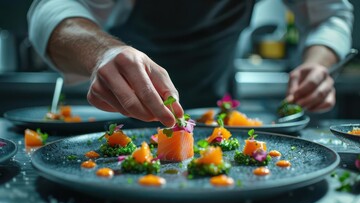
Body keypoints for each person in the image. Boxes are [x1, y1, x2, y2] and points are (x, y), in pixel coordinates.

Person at [27, 0, 353, 127]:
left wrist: (318, 64)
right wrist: (103, 53)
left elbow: (332, 15)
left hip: (218, 118)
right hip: (120, 115)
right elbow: (49, 10)